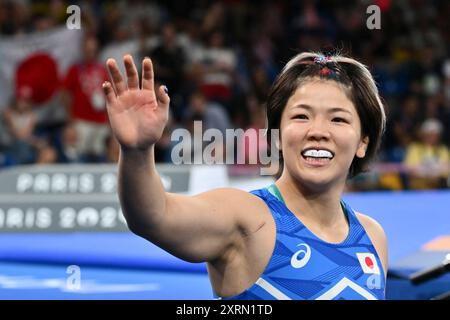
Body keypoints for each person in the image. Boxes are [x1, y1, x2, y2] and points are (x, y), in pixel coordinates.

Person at [102, 52, 387, 300]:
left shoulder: (372, 237)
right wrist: (137, 151)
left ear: (363, 141)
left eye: (338, 119)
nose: (318, 131)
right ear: (276, 135)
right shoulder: (247, 217)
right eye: (301, 116)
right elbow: (153, 216)